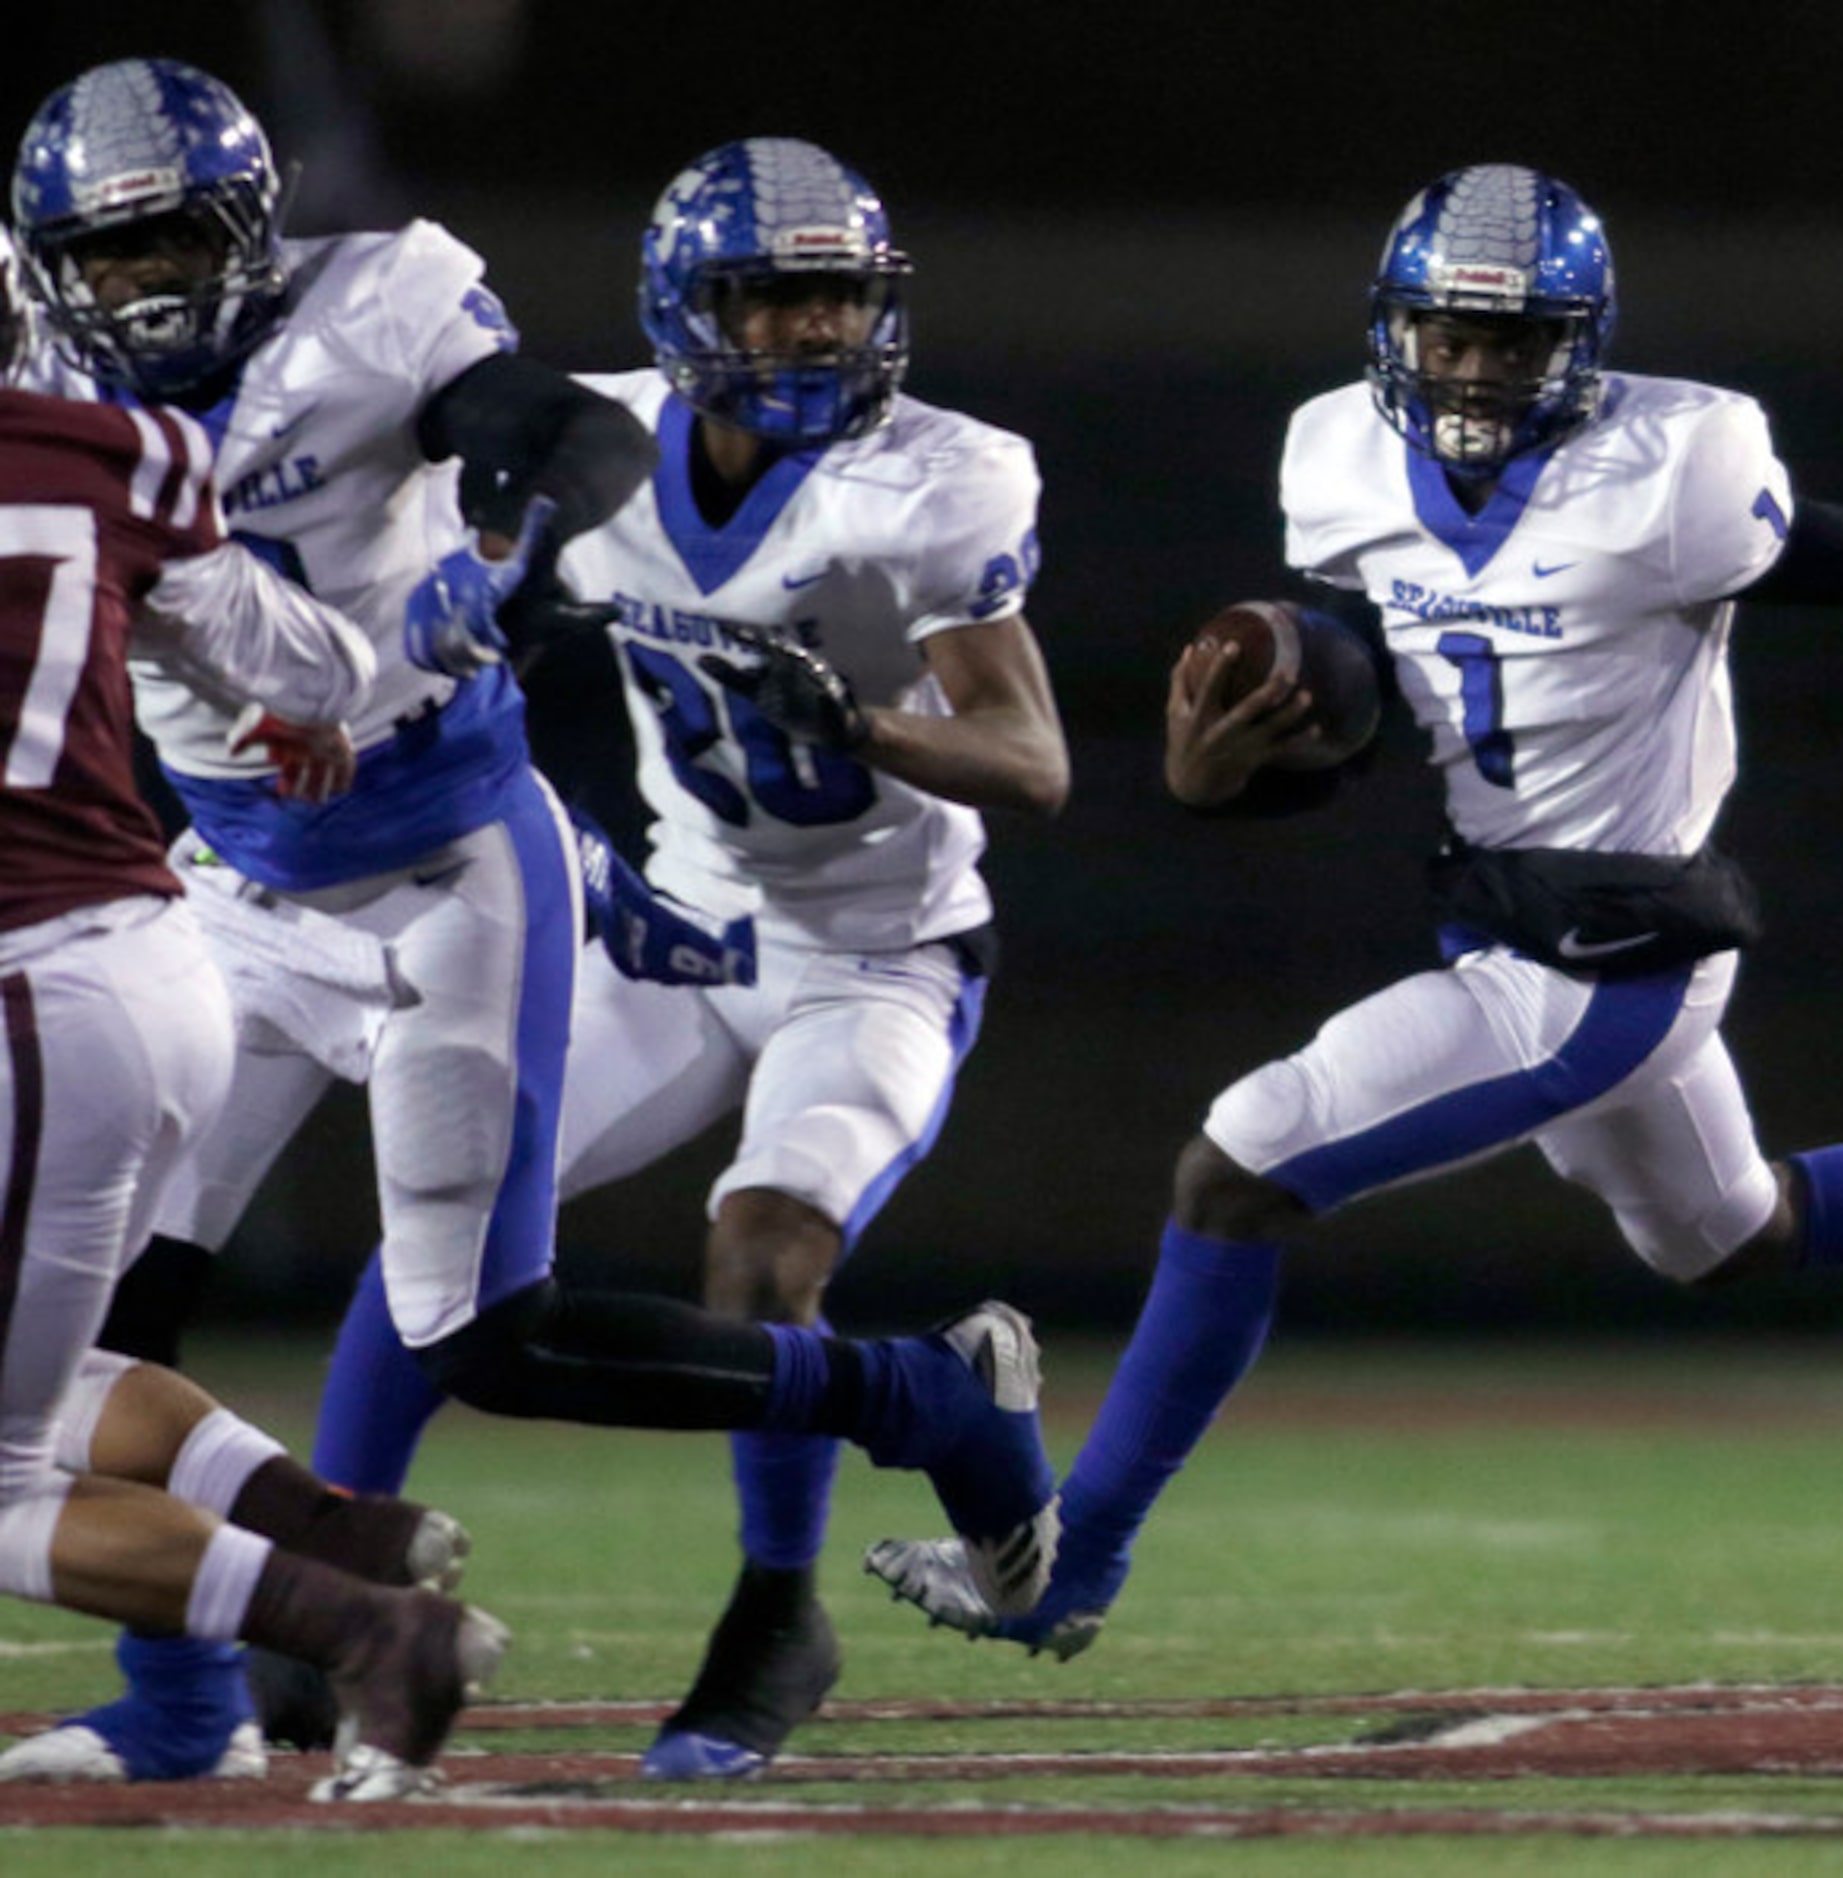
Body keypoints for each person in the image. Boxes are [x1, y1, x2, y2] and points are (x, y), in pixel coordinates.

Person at [862, 162, 1843, 1655]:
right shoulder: (1340, 459)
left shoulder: (1676, 464)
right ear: (1400, 327)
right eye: (1449, 334)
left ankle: (1073, 1564)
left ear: (1579, 342)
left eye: (1513, 341)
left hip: (1612, 951)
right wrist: (1222, 779)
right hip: (1502, 916)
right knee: (1729, 1230)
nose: (1473, 367)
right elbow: (1382, 723)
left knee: (1233, 1167)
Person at [0, 58, 1057, 1785]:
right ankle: (187, 1701)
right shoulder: (39, 377)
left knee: (493, 1337)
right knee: (100, 1321)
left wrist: (507, 542)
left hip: (447, 870)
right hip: (227, 881)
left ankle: (912, 1397)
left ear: (253, 232)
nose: (143, 286)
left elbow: (563, 422)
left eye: (176, 240)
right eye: (105, 257)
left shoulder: (375, 305)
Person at [295, 137, 1067, 1783]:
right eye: (773, 297)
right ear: (684, 308)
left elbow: (1035, 758)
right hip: (679, 924)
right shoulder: (600, 445)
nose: (813, 329)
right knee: (442, 1229)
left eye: (841, 295)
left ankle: (777, 1615)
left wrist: (863, 723)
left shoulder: (929, 480)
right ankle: (328, 1591)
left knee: (764, 1253)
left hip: (879, 952)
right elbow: (445, 594)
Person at [0, 230, 506, 1801]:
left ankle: (360, 1627)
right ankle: (327, 1522)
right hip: (156, 957)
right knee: (56, 1366)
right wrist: (274, 709)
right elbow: (322, 663)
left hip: (33, 993)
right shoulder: (119, 453)